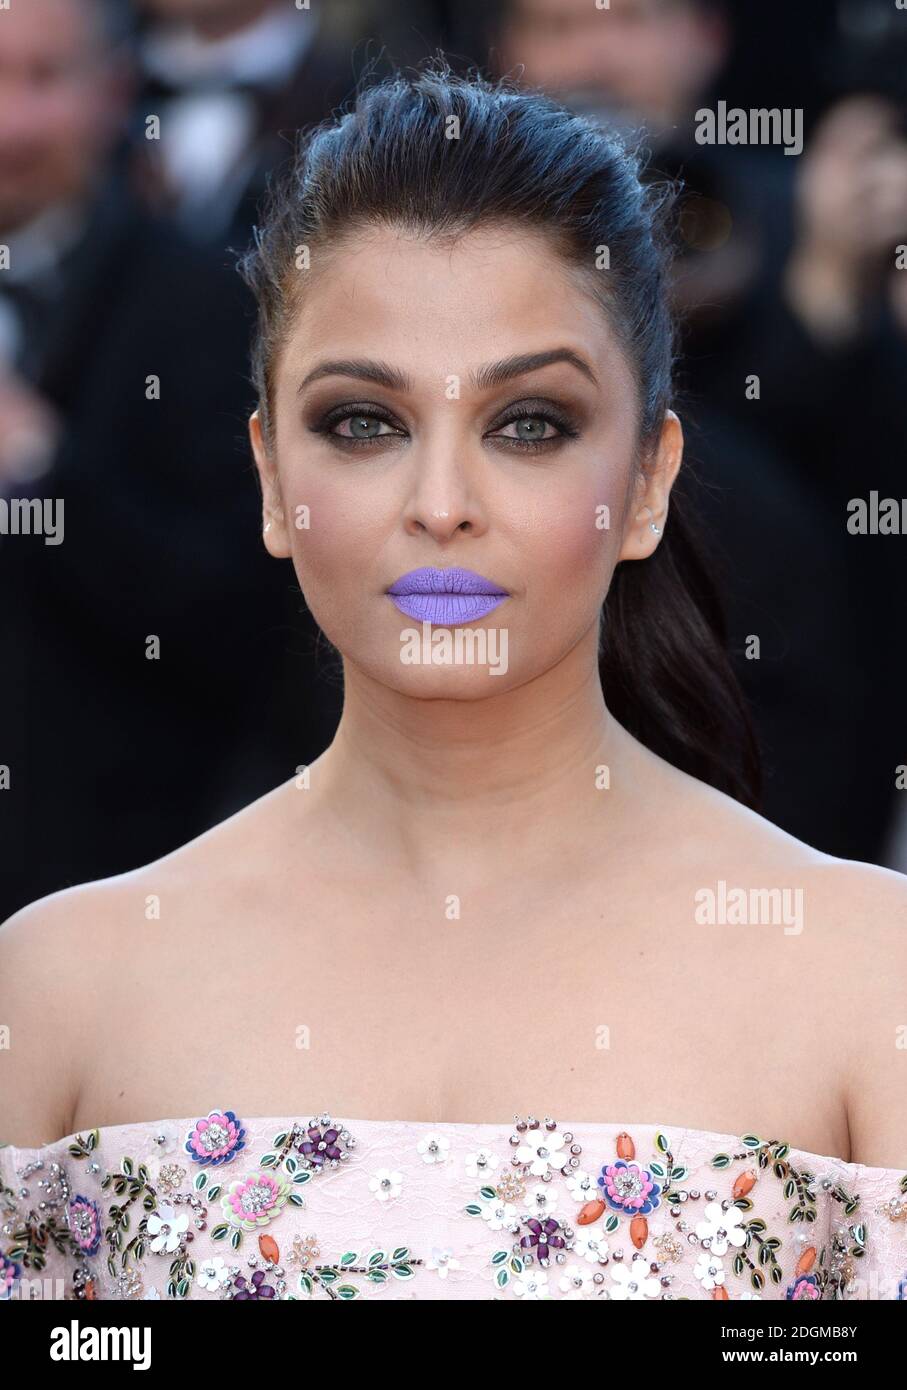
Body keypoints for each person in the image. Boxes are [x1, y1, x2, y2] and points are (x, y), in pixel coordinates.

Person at [1, 64, 905, 1304]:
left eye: (528, 422)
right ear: (270, 476)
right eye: (363, 422)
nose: (440, 506)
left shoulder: (869, 978)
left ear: (645, 481)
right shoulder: (57, 992)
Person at [0, 0, 339, 923]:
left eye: (43, 78)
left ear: (115, 90)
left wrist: (39, 466)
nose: (12, 124)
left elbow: (245, 615)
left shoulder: (205, 308)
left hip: (116, 881)